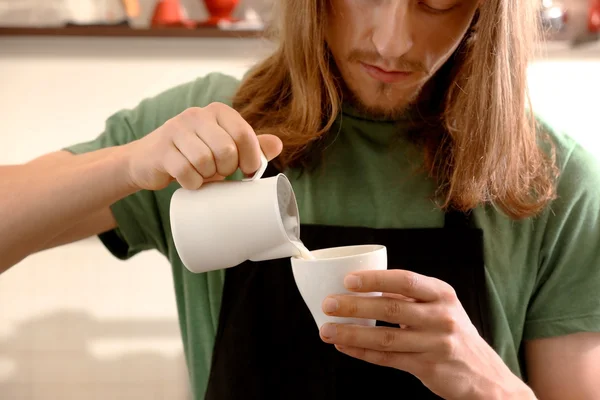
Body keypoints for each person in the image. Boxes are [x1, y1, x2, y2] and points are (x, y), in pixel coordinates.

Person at [1, 0, 599, 399]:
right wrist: (127, 163)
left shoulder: (549, 175)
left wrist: (490, 383)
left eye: (437, 1)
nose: (392, 42)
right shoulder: (217, 133)